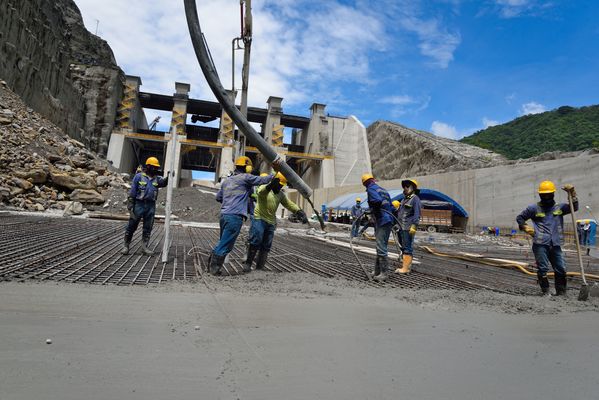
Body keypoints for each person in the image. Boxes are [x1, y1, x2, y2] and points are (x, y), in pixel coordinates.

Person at [209, 156, 273, 275]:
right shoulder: (245, 178)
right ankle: (213, 269)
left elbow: (218, 197)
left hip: (224, 215)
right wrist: (275, 175)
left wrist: (231, 199)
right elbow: (262, 180)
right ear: (247, 167)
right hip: (235, 217)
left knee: (223, 241)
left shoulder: (227, 181)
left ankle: (213, 267)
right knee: (226, 245)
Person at [516, 181, 577, 296]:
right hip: (540, 244)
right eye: (544, 195)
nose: (547, 197)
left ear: (553, 194)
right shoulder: (533, 208)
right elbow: (520, 218)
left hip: (555, 244)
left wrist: (573, 194)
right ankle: (546, 292)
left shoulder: (560, 207)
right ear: (540, 195)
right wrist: (526, 228)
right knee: (543, 268)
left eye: (549, 194)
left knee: (561, 268)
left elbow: (574, 208)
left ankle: (561, 292)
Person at [244, 172, 308, 273]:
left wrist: (298, 211)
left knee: (266, 245)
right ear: (274, 183)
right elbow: (261, 193)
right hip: (259, 218)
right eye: (279, 185)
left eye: (282, 185)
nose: (280, 187)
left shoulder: (280, 194)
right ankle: (248, 263)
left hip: (271, 222)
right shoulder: (264, 188)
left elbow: (288, 204)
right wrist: (269, 186)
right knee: (256, 240)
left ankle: (260, 268)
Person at [121, 157, 169, 256]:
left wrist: (169, 176)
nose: (156, 169)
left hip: (150, 205)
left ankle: (144, 247)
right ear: (148, 166)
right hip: (139, 204)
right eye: (154, 167)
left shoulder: (157, 179)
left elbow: (164, 183)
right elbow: (133, 191)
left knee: (148, 227)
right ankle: (126, 246)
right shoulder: (139, 177)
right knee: (132, 226)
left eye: (157, 168)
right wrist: (130, 205)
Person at [362, 173, 394, 282]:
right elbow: (392, 207)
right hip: (388, 220)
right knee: (380, 246)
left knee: (381, 247)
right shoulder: (383, 190)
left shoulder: (371, 189)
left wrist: (373, 212)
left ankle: (384, 273)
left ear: (365, 183)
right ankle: (377, 271)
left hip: (382, 220)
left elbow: (377, 201)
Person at [395, 179, 422, 274]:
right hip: (401, 227)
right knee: (403, 247)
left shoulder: (415, 199)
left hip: (408, 228)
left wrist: (414, 225)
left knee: (407, 248)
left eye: (407, 186)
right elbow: (400, 213)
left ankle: (406, 268)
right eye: (404, 186)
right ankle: (405, 266)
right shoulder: (403, 200)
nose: (405, 188)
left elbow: (417, 213)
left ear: (413, 188)